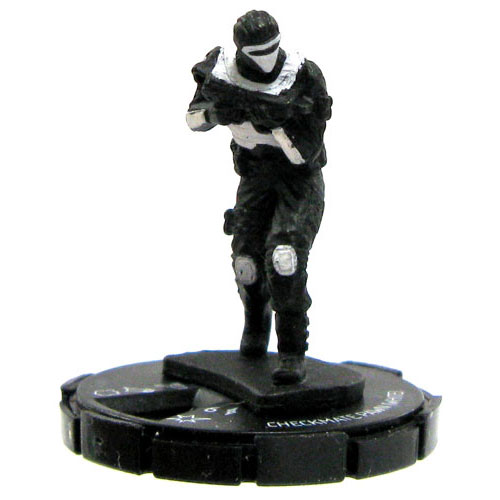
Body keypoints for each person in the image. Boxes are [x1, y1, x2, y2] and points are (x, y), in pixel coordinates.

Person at [186, 10, 332, 384]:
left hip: (298, 180)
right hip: (254, 175)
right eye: (257, 51)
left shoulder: (301, 75)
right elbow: (193, 118)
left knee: (284, 258)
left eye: (272, 48)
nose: (267, 57)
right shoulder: (223, 71)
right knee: (246, 262)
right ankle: (255, 321)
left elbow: (308, 152)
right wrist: (219, 112)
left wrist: (277, 124)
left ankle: (292, 349)